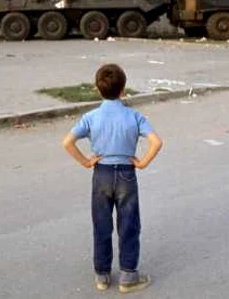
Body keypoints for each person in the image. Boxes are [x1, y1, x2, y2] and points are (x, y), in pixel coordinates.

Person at [61, 64, 163, 294]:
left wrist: (86, 162)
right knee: (129, 224)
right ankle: (128, 276)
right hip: (127, 172)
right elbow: (156, 142)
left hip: (102, 173)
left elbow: (67, 142)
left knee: (102, 224)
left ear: (97, 89)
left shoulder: (91, 117)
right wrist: (143, 162)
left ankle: (102, 275)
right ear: (124, 90)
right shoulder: (135, 116)